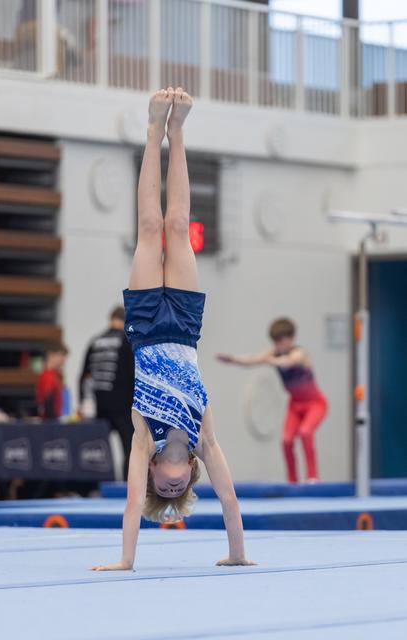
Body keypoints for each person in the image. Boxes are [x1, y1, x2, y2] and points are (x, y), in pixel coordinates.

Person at [92, 87, 255, 571]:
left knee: (148, 227)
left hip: (143, 328)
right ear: (189, 474)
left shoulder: (144, 437)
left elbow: (129, 509)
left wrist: (125, 563)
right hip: (184, 328)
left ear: (151, 477)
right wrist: (237, 556)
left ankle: (151, 129)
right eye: (176, 490)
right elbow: (229, 501)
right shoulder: (205, 437)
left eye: (160, 490)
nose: (169, 487)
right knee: (179, 226)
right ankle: (178, 130)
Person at [217, 318, 328, 483]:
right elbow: (252, 359)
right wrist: (233, 359)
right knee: (286, 440)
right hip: (295, 405)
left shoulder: (300, 353)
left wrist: (270, 360)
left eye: (281, 342)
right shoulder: (274, 354)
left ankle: (313, 477)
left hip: (315, 404)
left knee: (305, 432)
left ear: (291, 339)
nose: (278, 346)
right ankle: (292, 481)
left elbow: (289, 362)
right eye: (276, 343)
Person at [79, 306, 134, 480]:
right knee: (131, 450)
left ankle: (98, 486)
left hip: (99, 409)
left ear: (110, 318)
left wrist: (85, 404)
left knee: (98, 453)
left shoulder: (95, 341)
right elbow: (134, 375)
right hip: (123, 408)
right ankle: (128, 487)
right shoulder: (127, 341)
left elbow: (84, 377)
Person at [36, 342, 69, 419]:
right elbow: (47, 402)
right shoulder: (48, 376)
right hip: (51, 421)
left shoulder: (55, 376)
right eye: (61, 355)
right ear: (51, 355)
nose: (63, 360)